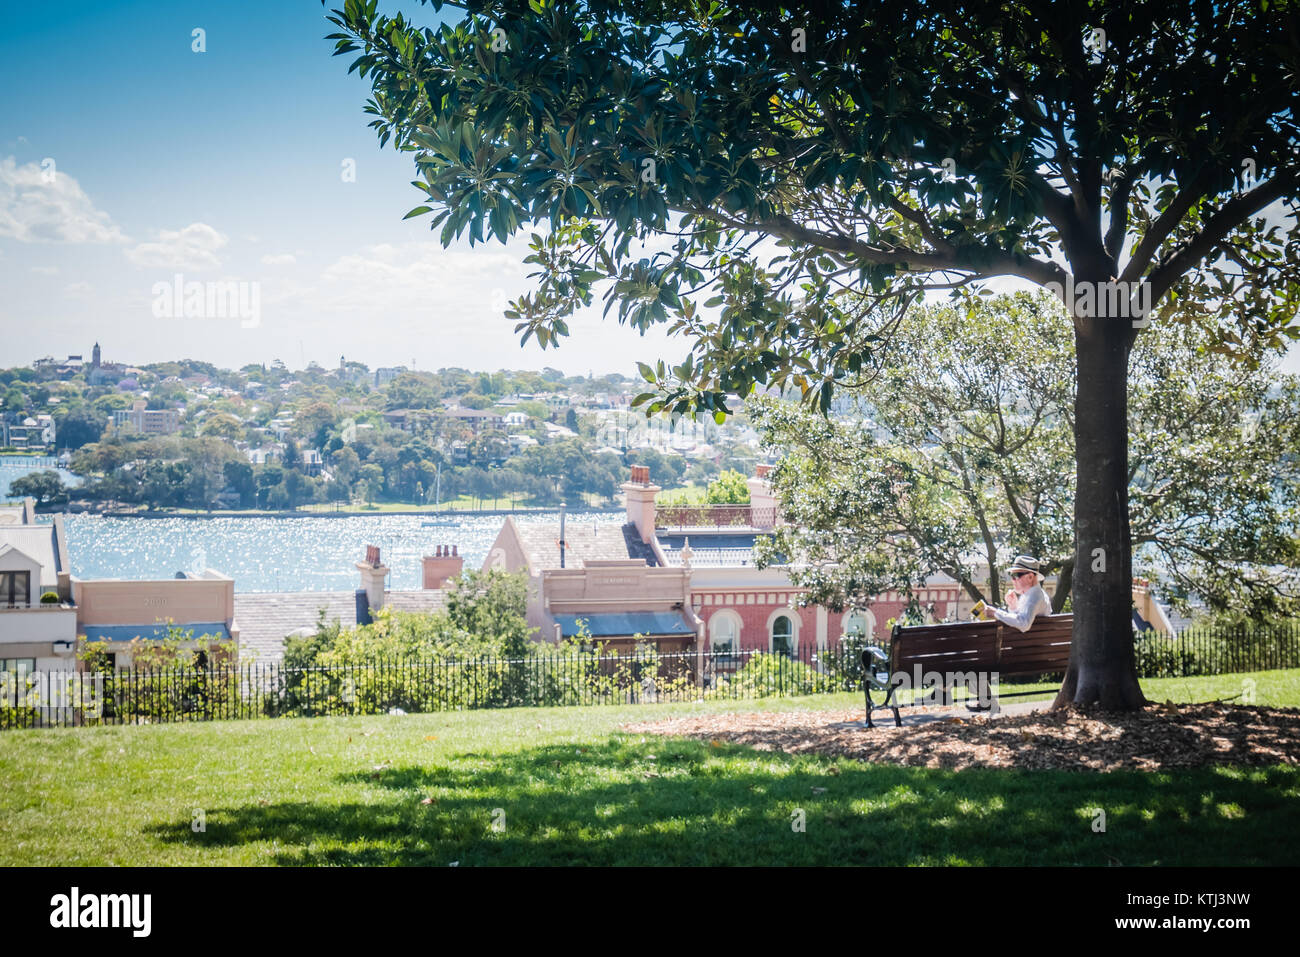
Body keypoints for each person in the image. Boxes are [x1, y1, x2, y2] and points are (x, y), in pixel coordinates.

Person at [984, 555, 1053, 632]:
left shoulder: (1034, 596)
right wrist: (1014, 607)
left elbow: (1024, 624)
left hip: (1031, 643)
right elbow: (1021, 620)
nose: (1013, 580)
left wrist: (995, 613)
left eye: (1016, 575)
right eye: (1012, 575)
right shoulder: (1035, 594)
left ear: (1030, 577)